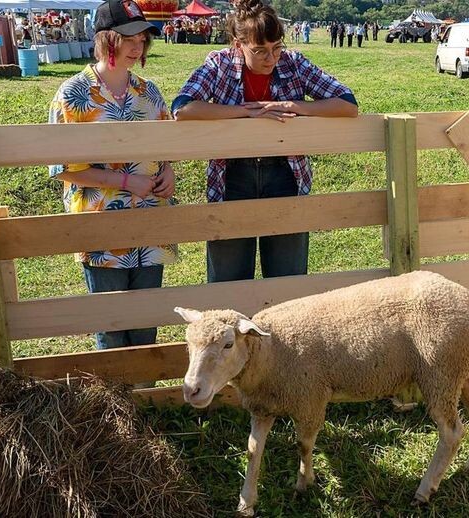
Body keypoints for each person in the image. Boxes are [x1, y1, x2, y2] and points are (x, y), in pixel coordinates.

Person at [171, 0, 357, 283]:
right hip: (231, 176)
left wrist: (294, 106)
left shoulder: (294, 62)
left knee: (287, 278)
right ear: (238, 44)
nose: (271, 58)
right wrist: (243, 111)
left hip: (285, 173)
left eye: (276, 47)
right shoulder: (218, 63)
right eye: (259, 51)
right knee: (228, 277)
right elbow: (182, 107)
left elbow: (347, 104)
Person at [48, 0, 177, 351]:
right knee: (110, 320)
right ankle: (117, 402)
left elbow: (168, 146)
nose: (138, 46)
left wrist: (168, 171)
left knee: (147, 317)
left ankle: (145, 396)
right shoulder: (73, 94)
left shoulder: (149, 92)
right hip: (101, 227)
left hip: (151, 222)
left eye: (143, 38)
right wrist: (125, 182)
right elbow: (63, 170)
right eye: (129, 37)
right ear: (107, 39)